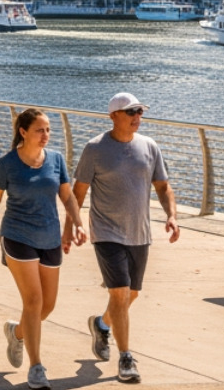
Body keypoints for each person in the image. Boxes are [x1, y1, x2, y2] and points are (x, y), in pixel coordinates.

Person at [68, 92, 179, 386]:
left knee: (131, 294)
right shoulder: (95, 149)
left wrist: (172, 215)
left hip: (139, 233)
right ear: (113, 116)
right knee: (120, 292)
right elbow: (78, 192)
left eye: (140, 112)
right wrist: (72, 226)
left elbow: (164, 186)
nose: (137, 117)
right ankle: (126, 357)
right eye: (131, 112)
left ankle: (101, 324)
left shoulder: (149, 147)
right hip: (106, 233)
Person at [0, 109, 87, 390]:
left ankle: (17, 332)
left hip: (49, 238)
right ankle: (36, 368)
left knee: (47, 305)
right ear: (23, 132)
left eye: (48, 130)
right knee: (34, 302)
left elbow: (67, 195)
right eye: (40, 130)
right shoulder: (7, 164)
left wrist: (78, 223)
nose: (46, 135)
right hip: (17, 236)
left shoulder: (56, 160)